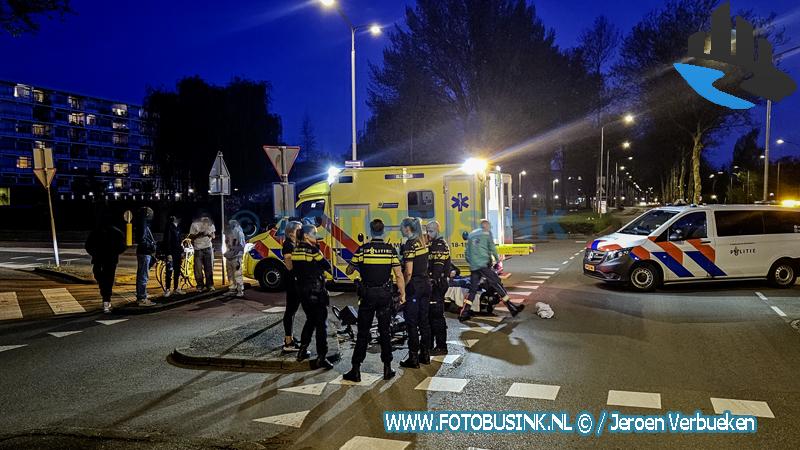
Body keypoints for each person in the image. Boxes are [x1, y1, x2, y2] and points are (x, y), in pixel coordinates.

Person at [342, 219, 406, 382]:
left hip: (368, 295)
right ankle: (387, 368)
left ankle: (355, 370)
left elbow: (349, 270)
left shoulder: (363, 250)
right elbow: (399, 275)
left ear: (370, 232)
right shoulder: (390, 250)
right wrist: (402, 294)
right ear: (383, 232)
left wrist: (357, 268)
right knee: (385, 332)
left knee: (363, 332)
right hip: (385, 295)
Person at [459, 219, 524, 321]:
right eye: (489, 226)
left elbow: (467, 253)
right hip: (484, 265)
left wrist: (473, 263)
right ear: (485, 226)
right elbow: (492, 249)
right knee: (497, 283)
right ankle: (512, 308)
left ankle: (464, 313)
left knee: (473, 290)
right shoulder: (486, 233)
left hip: (474, 267)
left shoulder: (471, 235)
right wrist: (497, 260)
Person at [293, 224, 335, 370]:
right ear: (306, 235)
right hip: (316, 293)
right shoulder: (313, 250)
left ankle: (302, 350)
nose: (316, 237)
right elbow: (327, 265)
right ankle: (321, 357)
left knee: (310, 320)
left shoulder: (296, 250)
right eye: (314, 234)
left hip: (303, 292)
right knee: (321, 326)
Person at [399, 217, 431, 368]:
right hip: (426, 284)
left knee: (412, 323)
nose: (400, 229)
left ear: (407, 228)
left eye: (401, 227)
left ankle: (413, 359)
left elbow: (409, 272)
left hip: (415, 287)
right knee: (424, 321)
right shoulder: (422, 241)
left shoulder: (410, 245)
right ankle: (425, 355)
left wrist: (402, 288)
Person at [85, 212, 127, 313]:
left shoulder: (96, 232)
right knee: (108, 278)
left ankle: (106, 298)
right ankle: (106, 300)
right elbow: (122, 246)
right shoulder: (117, 232)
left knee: (100, 276)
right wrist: (115, 252)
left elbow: (88, 245)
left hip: (99, 258)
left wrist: (94, 253)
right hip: (110, 259)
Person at [425, 220, 450, 355]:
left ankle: (441, 346)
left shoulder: (439, 245)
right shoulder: (434, 244)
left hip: (437, 284)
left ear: (437, 230)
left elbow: (437, 269)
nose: (428, 233)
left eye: (431, 231)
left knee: (436, 316)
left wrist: (431, 281)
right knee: (431, 316)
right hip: (436, 284)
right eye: (427, 230)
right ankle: (430, 345)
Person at [281, 221, 303, 352]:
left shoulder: (295, 244)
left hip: (296, 281)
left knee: (292, 310)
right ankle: (288, 342)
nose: (301, 232)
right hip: (292, 282)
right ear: (291, 233)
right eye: (298, 230)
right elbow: (289, 265)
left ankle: (290, 338)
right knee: (290, 310)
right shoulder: (288, 245)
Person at [135, 207, 157, 306]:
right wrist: (151, 247)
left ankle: (142, 296)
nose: (152, 215)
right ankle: (142, 298)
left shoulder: (142, 223)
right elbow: (142, 239)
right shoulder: (143, 224)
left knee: (142, 275)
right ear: (147, 214)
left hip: (143, 252)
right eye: (150, 213)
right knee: (143, 276)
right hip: (145, 252)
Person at [189, 215, 216, 292]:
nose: (206, 224)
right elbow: (191, 236)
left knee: (209, 268)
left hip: (208, 248)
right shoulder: (194, 225)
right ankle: (200, 285)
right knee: (198, 269)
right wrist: (200, 234)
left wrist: (208, 234)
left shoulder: (211, 225)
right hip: (198, 249)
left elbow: (213, 236)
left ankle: (210, 285)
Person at [162, 215, 185, 297]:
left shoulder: (178, 227)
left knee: (177, 271)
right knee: (169, 271)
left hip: (177, 252)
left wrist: (182, 251)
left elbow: (179, 241)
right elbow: (167, 241)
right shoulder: (169, 227)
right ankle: (167, 289)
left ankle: (176, 288)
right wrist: (168, 253)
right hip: (172, 252)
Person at [224, 219, 246, 298]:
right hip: (229, 256)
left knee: (237, 274)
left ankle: (240, 290)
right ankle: (232, 289)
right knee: (230, 274)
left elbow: (242, 246)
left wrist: (233, 252)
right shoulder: (229, 233)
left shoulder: (239, 233)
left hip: (236, 257)